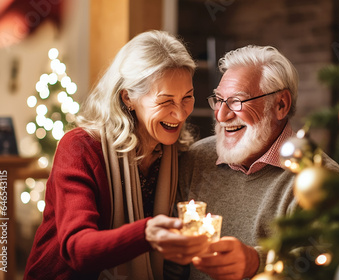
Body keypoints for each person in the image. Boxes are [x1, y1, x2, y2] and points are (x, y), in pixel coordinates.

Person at [24, 30, 210, 280]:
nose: (180, 114)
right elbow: (77, 249)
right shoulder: (80, 148)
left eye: (187, 97)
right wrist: (146, 233)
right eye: (165, 101)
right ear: (128, 97)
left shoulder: (177, 154)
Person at [178, 45, 339, 280]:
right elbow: (174, 267)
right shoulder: (196, 159)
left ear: (281, 105)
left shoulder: (320, 179)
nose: (221, 115)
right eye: (218, 100)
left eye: (236, 101)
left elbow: (330, 262)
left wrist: (257, 262)